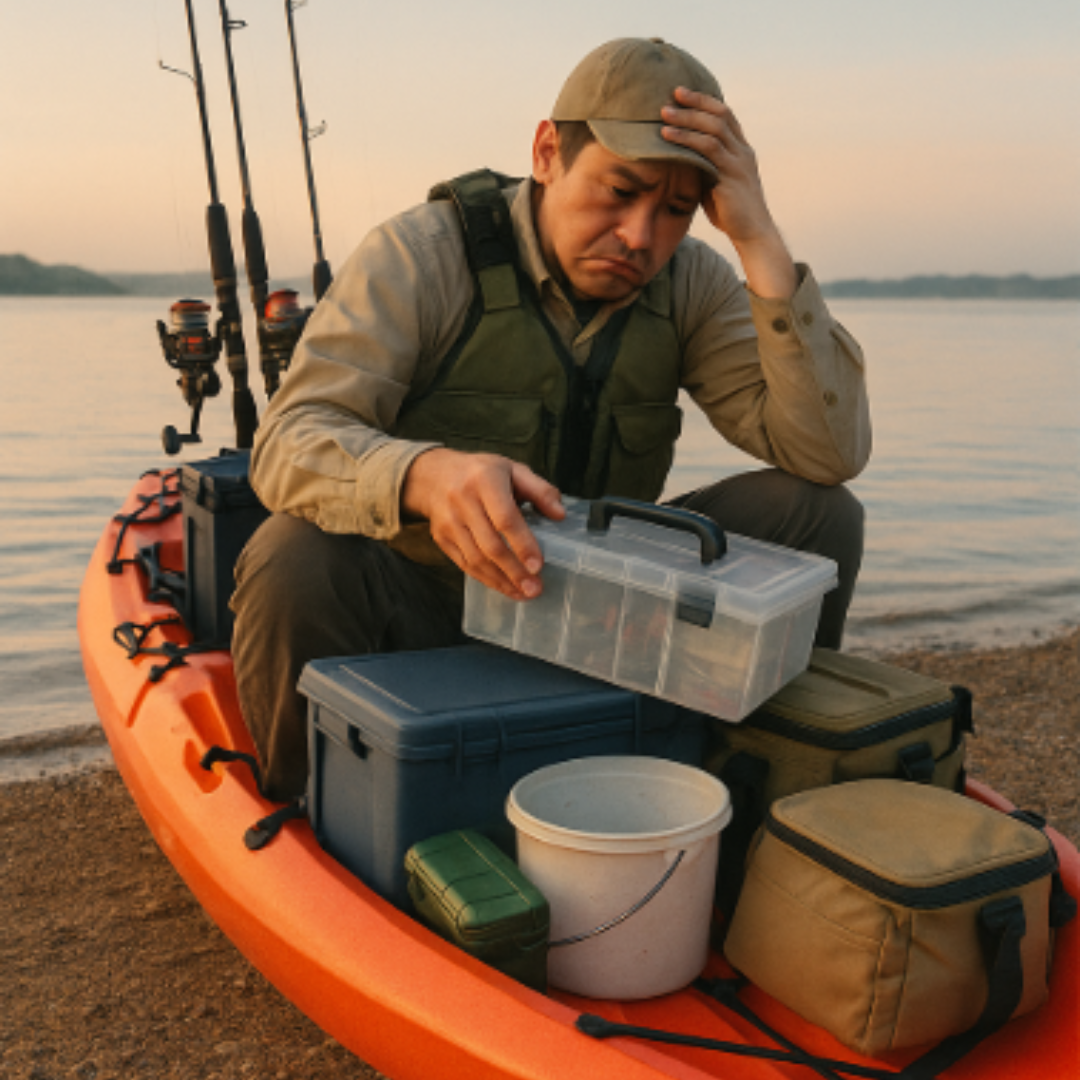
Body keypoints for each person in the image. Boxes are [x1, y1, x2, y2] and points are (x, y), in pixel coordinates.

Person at [231, 37, 871, 801]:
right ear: (546, 152)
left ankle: (766, 789)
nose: (640, 237)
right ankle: (312, 812)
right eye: (619, 191)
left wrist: (758, 238)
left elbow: (828, 452)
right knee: (292, 554)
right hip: (430, 603)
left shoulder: (691, 281)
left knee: (818, 513)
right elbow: (288, 441)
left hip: (609, 617)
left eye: (675, 210)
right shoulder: (423, 256)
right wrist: (424, 475)